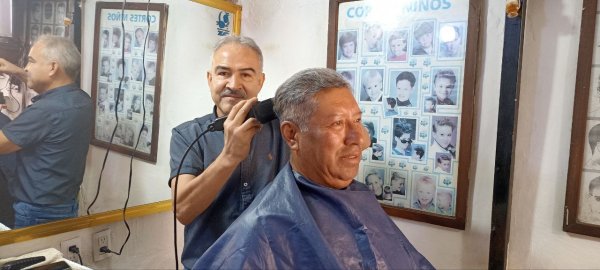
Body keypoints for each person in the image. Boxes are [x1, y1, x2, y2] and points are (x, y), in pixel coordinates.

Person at [193, 68, 433, 269]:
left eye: (357, 121)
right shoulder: (262, 228)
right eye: (338, 124)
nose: (359, 139)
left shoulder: (357, 195)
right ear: (292, 135)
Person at [168, 36, 289, 269]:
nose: (233, 84)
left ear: (261, 81)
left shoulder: (286, 131)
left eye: (246, 74)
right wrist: (229, 157)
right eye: (223, 73)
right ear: (209, 78)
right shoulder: (187, 135)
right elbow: (183, 210)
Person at [0, 36, 92, 228]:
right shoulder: (82, 100)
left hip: (36, 212)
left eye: (31, 61)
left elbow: (2, 144)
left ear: (52, 68)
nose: (26, 68)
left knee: (30, 258)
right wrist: (15, 70)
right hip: (64, 204)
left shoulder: (46, 111)